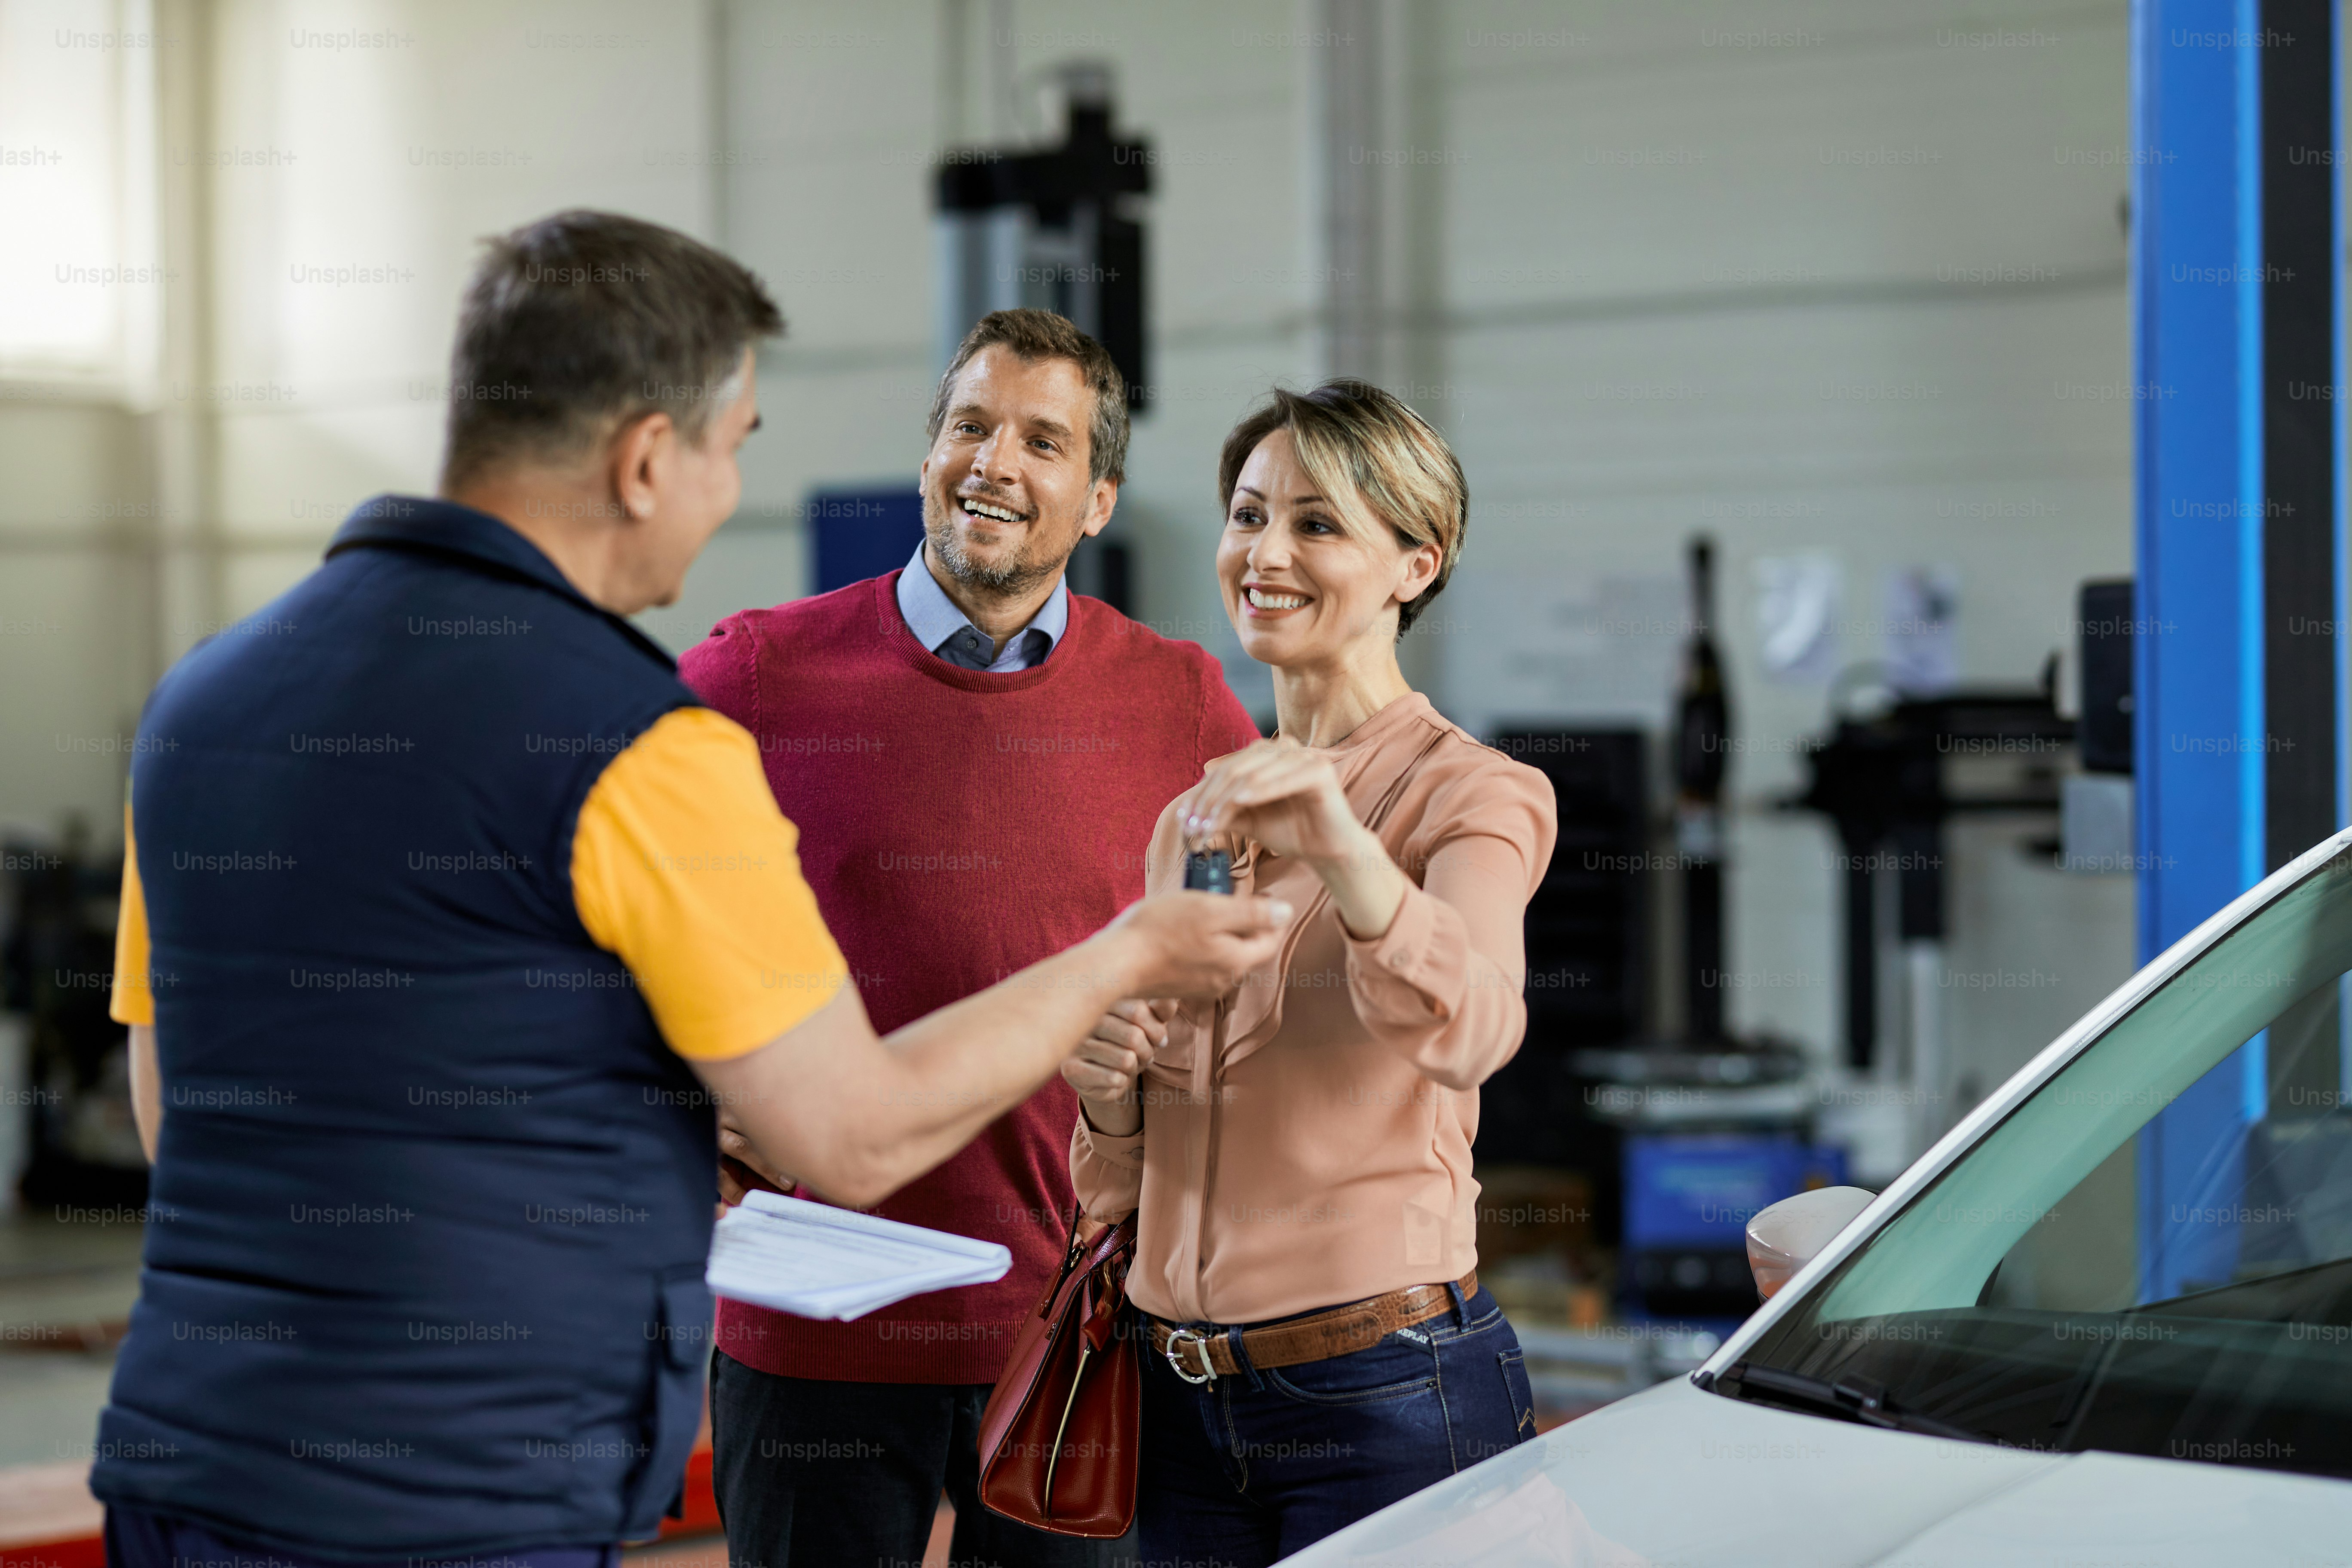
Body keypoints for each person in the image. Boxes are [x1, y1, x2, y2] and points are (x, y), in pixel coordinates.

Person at [92, 213, 1287, 1568]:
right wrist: (1132, 955)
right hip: (468, 1479)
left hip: (191, 1458)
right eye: (735, 450)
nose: (730, 495)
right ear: (648, 457)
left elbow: (173, 1114)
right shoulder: (643, 737)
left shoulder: (198, 701)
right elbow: (849, 1134)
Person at [679, 308, 1266, 1568]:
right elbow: (585, 892)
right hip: (813, 1328)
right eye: (971, 426)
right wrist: (670, 1078)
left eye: (1043, 441)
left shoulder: (1181, 699)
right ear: (933, 451)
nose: (995, 462)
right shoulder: (760, 675)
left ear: (1098, 495)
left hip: (1067, 1329)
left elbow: (1271, 954)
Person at [1066, 381, 1560, 1567]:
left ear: (1414, 563)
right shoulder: (1196, 815)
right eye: (1248, 515)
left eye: (1318, 524)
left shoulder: (1475, 794)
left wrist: (1342, 841)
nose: (1265, 552)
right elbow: (1121, 1184)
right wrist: (1105, 1087)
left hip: (1384, 1397)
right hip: (1178, 1399)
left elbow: (1475, 1028)